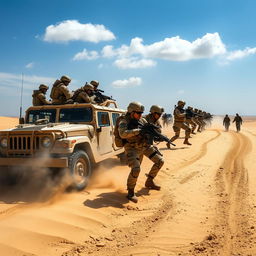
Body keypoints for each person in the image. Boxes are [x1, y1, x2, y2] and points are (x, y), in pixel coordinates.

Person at [118, 102, 164, 203]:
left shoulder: (142, 120)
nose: (140, 115)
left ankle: (150, 181)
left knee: (160, 161)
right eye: (138, 113)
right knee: (136, 169)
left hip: (144, 145)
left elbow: (150, 130)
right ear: (131, 112)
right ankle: (130, 192)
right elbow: (122, 134)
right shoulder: (124, 121)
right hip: (132, 147)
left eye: (141, 113)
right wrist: (138, 131)